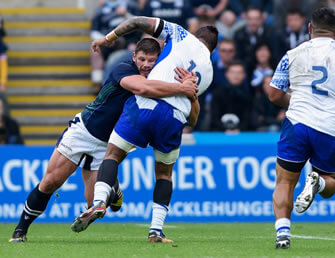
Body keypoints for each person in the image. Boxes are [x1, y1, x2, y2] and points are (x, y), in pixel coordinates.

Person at [9, 38, 198, 243]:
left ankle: (112, 188)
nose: (145, 64)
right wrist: (183, 88)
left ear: (158, 60)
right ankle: (20, 230)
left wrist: (192, 92)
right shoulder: (124, 69)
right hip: (84, 130)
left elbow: (191, 115)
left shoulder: (163, 79)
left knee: (94, 205)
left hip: (110, 143)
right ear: (134, 57)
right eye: (142, 59)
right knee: (51, 181)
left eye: (151, 60)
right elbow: (143, 88)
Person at [71, 16, 218, 243]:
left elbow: (136, 21)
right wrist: (188, 91)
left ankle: (100, 201)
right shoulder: (208, 72)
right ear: (213, 49)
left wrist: (109, 38)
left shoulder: (180, 34)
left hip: (145, 106)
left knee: (112, 155)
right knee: (164, 175)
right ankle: (156, 231)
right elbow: (193, 119)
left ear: (196, 35)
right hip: (175, 119)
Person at [268, 7, 335, 249]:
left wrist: (294, 100)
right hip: (333, 126)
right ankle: (317, 184)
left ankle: (283, 235)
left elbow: (274, 94)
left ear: (309, 28)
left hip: (297, 124)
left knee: (284, 181)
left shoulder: (291, 54)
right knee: (331, 186)